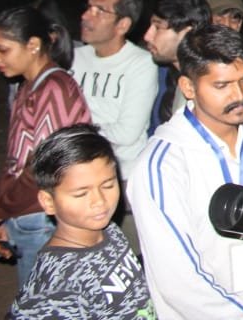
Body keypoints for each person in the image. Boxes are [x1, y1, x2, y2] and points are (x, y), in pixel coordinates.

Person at [130, 24, 243, 317]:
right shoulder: (162, 166)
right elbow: (177, 279)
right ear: (188, 87)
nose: (239, 95)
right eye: (222, 85)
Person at [9, 125, 153, 319]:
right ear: (48, 202)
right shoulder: (58, 287)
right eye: (81, 194)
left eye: (108, 185)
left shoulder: (109, 230)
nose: (99, 201)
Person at [0, 6, 91, 287]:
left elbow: (45, 168)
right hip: (27, 212)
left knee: (44, 301)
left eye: (3, 50)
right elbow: (17, 157)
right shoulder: (29, 85)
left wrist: (3, 210)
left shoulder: (54, 88)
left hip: (41, 217)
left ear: (33, 45)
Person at [73, 0, 156, 184]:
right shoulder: (74, 58)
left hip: (121, 175)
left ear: (123, 25)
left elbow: (127, 134)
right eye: (88, 8)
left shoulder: (141, 63)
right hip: (74, 170)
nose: (85, 16)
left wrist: (74, 130)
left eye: (99, 11)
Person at [143, 0, 210, 135]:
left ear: (187, 32)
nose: (147, 36)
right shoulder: (162, 73)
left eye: (158, 27)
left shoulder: (210, 84)